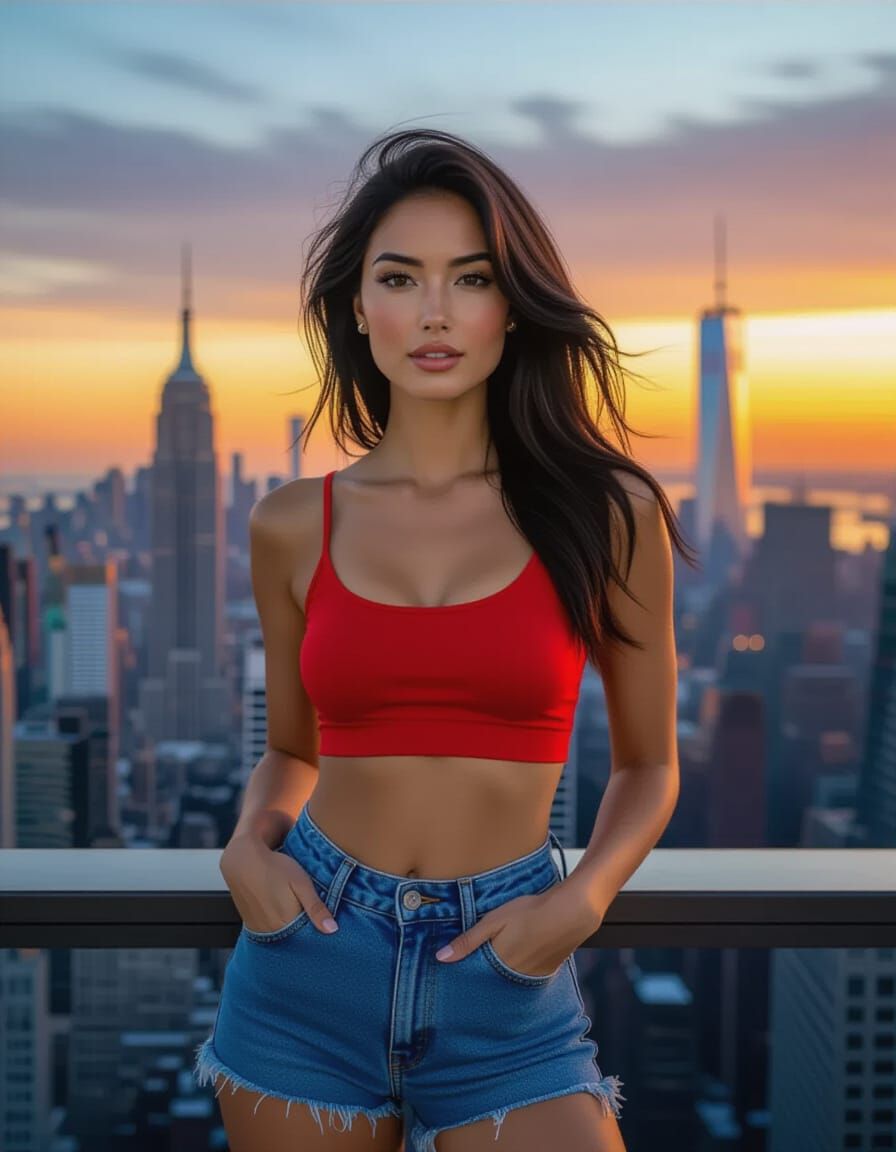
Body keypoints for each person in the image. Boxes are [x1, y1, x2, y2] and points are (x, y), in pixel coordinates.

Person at [194, 127, 695, 1152]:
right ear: (355, 309)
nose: (433, 311)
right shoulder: (290, 523)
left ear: (510, 307)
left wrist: (583, 898)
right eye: (399, 277)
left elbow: (648, 765)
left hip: (507, 970)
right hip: (307, 961)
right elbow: (293, 751)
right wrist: (249, 844)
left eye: (468, 278)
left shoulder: (605, 514)